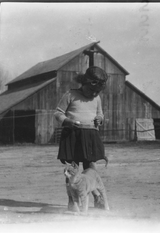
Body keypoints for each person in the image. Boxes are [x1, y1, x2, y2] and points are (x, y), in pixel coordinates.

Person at [54, 66, 109, 210]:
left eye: (97, 91)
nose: (94, 93)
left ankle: (98, 198)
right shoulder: (70, 94)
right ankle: (73, 200)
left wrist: (99, 119)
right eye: (91, 90)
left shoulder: (97, 98)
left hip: (91, 136)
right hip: (72, 135)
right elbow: (58, 113)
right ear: (84, 83)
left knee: (91, 168)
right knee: (72, 169)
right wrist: (67, 121)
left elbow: (100, 114)